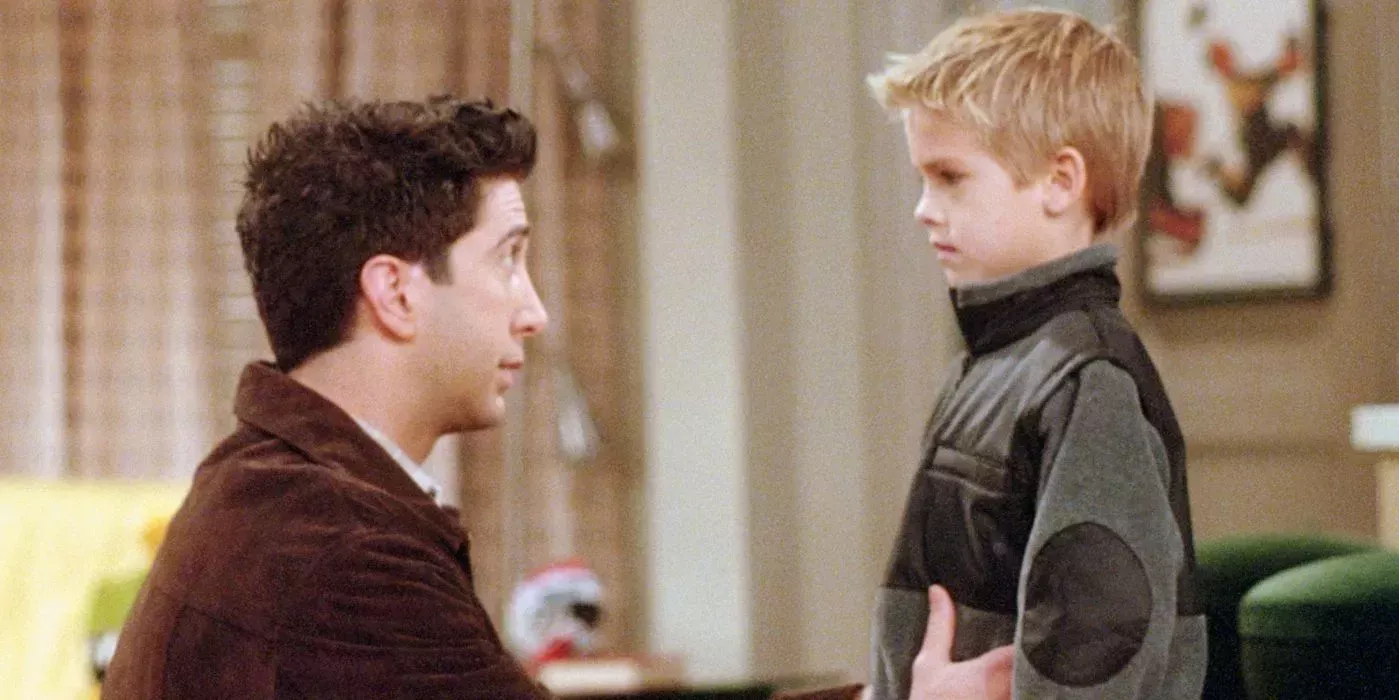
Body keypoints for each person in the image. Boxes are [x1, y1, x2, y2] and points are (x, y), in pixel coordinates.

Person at [101, 96, 1010, 699]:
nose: (533, 312)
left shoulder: (273, 486)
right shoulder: (341, 552)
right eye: (508, 260)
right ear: (396, 293)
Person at [864, 8, 1206, 700]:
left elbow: (1098, 649)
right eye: (923, 179)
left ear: (1059, 181)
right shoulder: (989, 364)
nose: (924, 208)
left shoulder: (1088, 380)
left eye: (951, 177)